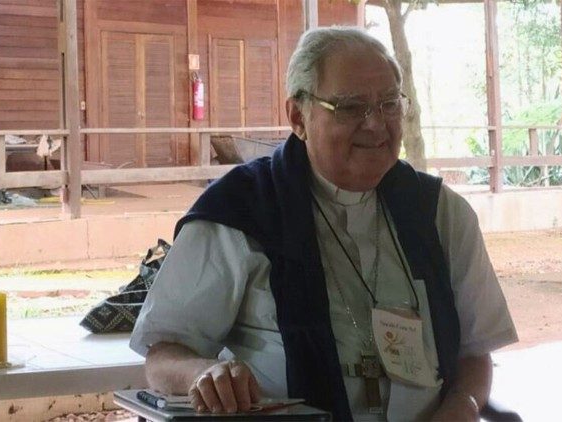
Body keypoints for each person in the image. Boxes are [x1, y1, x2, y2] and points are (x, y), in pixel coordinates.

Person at [130, 26, 517, 421]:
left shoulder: (439, 213)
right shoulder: (240, 211)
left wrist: (464, 405)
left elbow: (474, 350)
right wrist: (204, 372)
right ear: (298, 116)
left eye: (388, 104)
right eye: (351, 107)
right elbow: (162, 355)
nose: (376, 124)